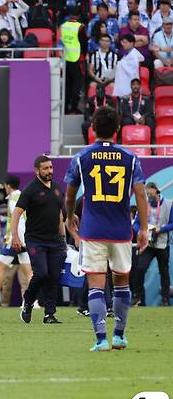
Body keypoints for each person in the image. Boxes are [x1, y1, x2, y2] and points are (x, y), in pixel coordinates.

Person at [65, 106, 149, 351]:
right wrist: (143, 228)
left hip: (92, 231)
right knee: (122, 283)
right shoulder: (130, 158)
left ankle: (101, 339)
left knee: (96, 285)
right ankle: (119, 336)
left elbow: (70, 196)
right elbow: (141, 195)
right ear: (118, 129)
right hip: (122, 231)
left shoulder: (81, 157)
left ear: (92, 128)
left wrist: (71, 217)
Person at [13, 155, 66, 324]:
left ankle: (49, 314)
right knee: (41, 273)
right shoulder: (30, 189)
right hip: (36, 239)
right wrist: (15, 236)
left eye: (51, 167)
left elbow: (59, 215)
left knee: (54, 276)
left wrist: (63, 237)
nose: (49, 171)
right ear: (37, 170)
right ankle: (28, 302)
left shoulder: (57, 188)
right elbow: (16, 213)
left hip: (56, 240)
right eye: (45, 168)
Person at [0, 175, 33, 309]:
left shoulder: (14, 199)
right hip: (22, 238)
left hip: (16, 240)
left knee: (0, 267)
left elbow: (18, 219)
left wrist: (15, 238)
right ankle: (33, 301)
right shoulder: (21, 196)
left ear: (7, 186)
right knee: (28, 271)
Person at [132, 182, 173, 306]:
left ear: (157, 191)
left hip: (162, 243)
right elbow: (136, 223)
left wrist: (162, 229)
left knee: (164, 272)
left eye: (151, 193)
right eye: (147, 194)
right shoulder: (143, 204)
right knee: (140, 268)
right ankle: (137, 297)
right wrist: (140, 231)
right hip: (148, 244)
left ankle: (165, 299)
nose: (149, 196)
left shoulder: (169, 204)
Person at [60, 6, 87, 114]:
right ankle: (74, 108)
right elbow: (84, 43)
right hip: (77, 59)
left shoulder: (63, 26)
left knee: (67, 85)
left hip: (66, 59)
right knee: (76, 85)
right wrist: (84, 55)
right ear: (79, 16)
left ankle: (65, 107)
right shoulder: (80, 27)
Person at [120, 78, 155, 142]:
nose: (135, 86)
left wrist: (143, 117)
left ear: (140, 86)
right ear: (131, 86)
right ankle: (125, 142)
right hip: (131, 118)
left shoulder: (146, 98)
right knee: (126, 121)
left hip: (143, 118)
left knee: (150, 121)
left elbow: (150, 111)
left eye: (137, 84)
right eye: (133, 84)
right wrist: (133, 117)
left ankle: (152, 143)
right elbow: (125, 111)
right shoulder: (126, 99)